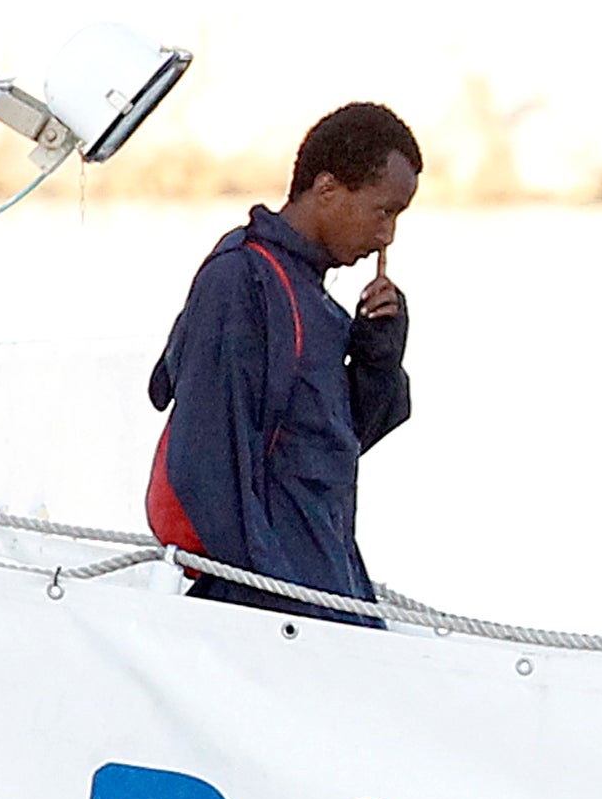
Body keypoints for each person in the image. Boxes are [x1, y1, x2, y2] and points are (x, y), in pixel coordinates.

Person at [145, 102, 422, 627]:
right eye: (382, 211)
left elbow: (339, 442)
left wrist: (379, 355)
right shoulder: (242, 282)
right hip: (276, 612)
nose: (386, 237)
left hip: (329, 585)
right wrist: (272, 610)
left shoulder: (313, 299)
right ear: (327, 189)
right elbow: (207, 465)